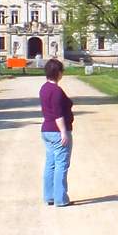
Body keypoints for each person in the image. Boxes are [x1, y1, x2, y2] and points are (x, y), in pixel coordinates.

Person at [39, 58, 74, 206]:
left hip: (47, 131)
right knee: (61, 164)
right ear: (58, 73)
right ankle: (60, 198)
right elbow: (58, 114)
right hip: (57, 131)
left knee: (50, 164)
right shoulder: (56, 91)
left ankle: (49, 196)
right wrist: (64, 132)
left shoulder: (44, 88)